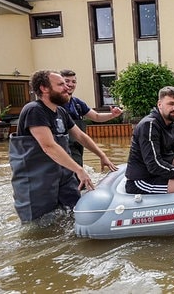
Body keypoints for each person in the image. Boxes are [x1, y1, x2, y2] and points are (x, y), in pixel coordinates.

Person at [9, 70, 119, 222]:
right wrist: (79, 169)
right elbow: (48, 146)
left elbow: (80, 136)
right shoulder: (34, 110)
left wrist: (102, 155)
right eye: (61, 84)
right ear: (44, 88)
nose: (67, 87)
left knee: (75, 215)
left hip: (63, 178)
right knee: (40, 228)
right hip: (36, 183)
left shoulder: (61, 111)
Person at [125, 86, 174, 194]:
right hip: (143, 180)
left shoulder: (169, 123)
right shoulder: (149, 125)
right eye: (171, 104)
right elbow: (153, 164)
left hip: (158, 174)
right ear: (159, 104)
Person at [60, 69, 123, 166]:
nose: (70, 84)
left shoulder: (77, 103)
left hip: (77, 147)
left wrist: (112, 115)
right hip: (62, 150)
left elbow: (96, 116)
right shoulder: (55, 105)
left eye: (74, 81)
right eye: (67, 81)